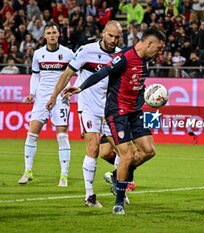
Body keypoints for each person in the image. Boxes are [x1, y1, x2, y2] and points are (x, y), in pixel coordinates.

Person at [61, 29, 166, 215]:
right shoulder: (124, 57)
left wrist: (149, 98)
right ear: (149, 44)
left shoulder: (144, 62)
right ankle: (119, 203)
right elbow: (102, 73)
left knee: (149, 151)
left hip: (135, 112)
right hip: (117, 113)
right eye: (159, 48)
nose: (160, 53)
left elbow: (137, 86)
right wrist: (80, 87)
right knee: (126, 156)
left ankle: (116, 175)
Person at [46, 20, 123, 208]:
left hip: (110, 109)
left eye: (117, 37)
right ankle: (90, 196)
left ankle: (119, 186)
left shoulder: (120, 56)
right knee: (93, 147)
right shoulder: (86, 50)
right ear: (103, 33)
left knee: (122, 151)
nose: (113, 40)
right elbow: (66, 74)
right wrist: (54, 95)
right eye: (110, 35)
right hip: (88, 106)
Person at [18, 22, 74, 187]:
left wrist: (73, 88)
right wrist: (32, 93)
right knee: (31, 133)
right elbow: (35, 75)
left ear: (58, 35)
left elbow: (76, 72)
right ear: (45, 35)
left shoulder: (68, 54)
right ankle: (28, 171)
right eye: (48, 32)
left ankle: (64, 175)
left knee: (62, 135)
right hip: (42, 98)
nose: (51, 35)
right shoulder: (38, 54)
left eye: (54, 32)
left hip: (61, 98)